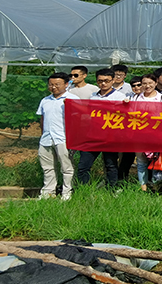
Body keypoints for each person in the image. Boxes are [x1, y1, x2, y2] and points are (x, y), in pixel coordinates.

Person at [76, 68, 128, 188]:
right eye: (100, 81)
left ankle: (112, 189)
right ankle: (83, 190)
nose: (103, 83)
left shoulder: (119, 96)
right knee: (83, 165)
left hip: (110, 136)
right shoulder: (93, 96)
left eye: (106, 81)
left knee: (111, 164)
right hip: (93, 135)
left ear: (112, 80)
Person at [36, 72, 79, 200]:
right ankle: (48, 192)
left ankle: (67, 192)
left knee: (67, 168)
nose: (54, 87)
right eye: (51, 84)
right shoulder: (45, 100)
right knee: (47, 167)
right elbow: (43, 119)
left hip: (63, 138)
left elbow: (78, 120)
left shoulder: (72, 99)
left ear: (66, 84)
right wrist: (43, 133)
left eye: (57, 84)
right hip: (46, 139)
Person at [131, 73, 162, 191]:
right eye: (144, 83)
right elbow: (131, 115)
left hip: (156, 135)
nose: (147, 86)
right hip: (139, 134)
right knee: (141, 162)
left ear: (156, 83)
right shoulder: (136, 98)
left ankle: (155, 185)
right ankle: (143, 187)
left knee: (155, 160)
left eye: (150, 83)